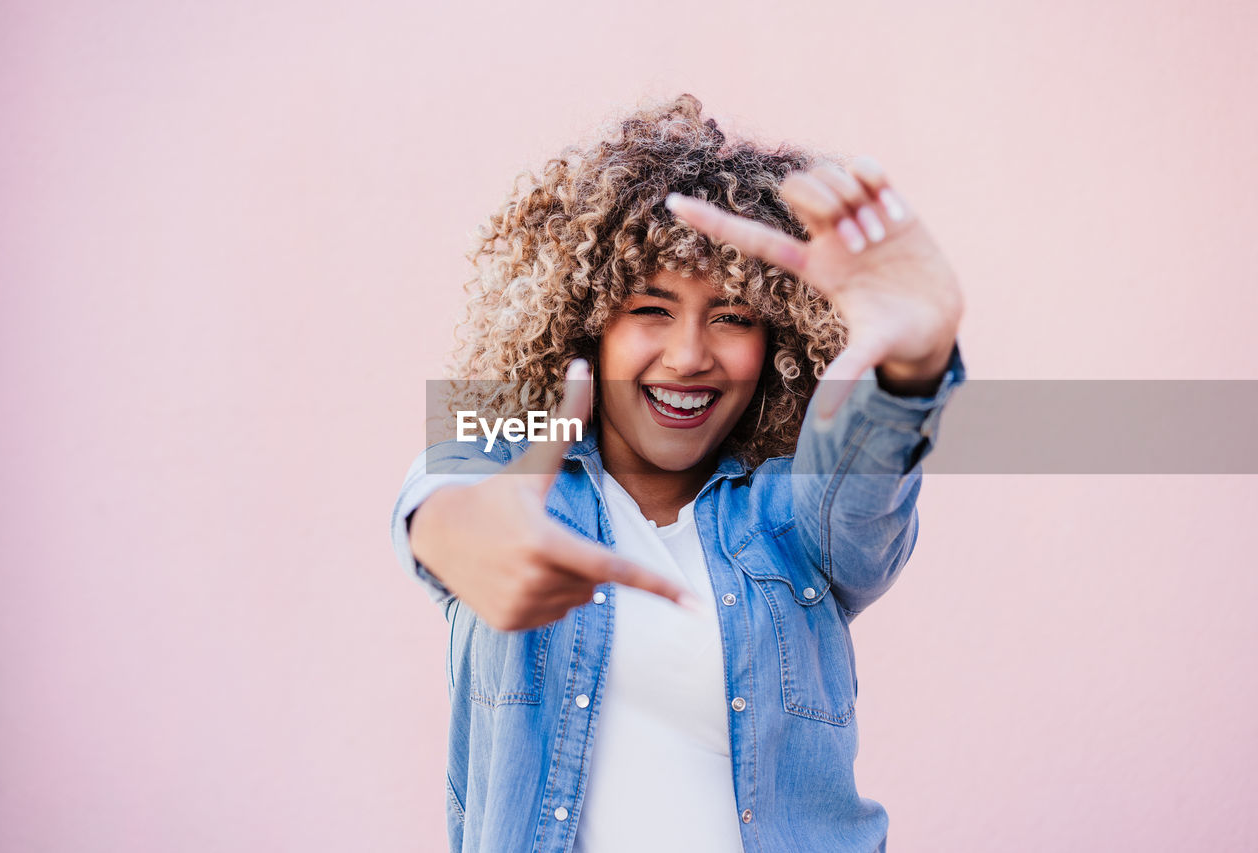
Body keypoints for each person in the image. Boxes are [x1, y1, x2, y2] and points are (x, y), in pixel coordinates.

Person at [390, 93, 965, 853]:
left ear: (779, 339)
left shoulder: (791, 522)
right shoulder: (509, 464)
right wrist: (464, 543)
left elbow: (865, 486)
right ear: (587, 322)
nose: (690, 354)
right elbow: (441, 502)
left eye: (732, 316)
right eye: (651, 309)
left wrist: (913, 363)